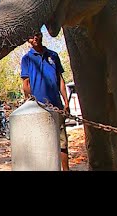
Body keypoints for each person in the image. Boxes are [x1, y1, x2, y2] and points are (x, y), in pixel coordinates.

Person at [21, 29, 70, 171]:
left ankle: (66, 169)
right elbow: (26, 83)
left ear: (41, 35)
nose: (35, 38)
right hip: (38, 107)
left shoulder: (53, 55)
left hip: (56, 105)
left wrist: (66, 102)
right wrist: (30, 103)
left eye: (37, 34)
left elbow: (60, 80)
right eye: (31, 36)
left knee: (62, 143)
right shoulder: (27, 59)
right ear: (28, 40)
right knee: (42, 143)